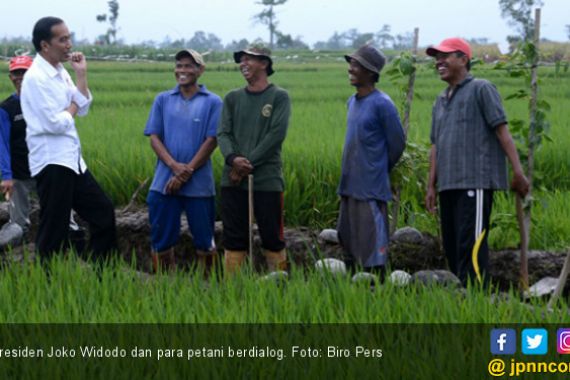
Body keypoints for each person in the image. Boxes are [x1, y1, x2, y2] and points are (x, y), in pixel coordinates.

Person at [425, 37, 529, 285]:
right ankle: (460, 295)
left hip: (475, 181)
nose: (439, 61)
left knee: (471, 243)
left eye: (445, 56)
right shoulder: (440, 101)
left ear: (463, 59)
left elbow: (502, 131)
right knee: (451, 243)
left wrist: (517, 171)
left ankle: (476, 297)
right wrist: (431, 186)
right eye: (436, 58)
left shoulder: (481, 88)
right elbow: (436, 146)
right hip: (448, 184)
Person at [20, 17, 117, 263]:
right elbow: (56, 123)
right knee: (54, 228)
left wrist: (81, 74)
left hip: (71, 160)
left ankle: (103, 276)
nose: (69, 44)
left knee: (103, 213)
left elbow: (82, 107)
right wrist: (73, 105)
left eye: (69, 38)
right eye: (62, 39)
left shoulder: (60, 71)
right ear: (45, 45)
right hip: (52, 162)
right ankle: (46, 285)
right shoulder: (36, 78)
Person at [144, 49, 221, 273]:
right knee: (161, 238)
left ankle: (208, 287)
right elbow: (155, 137)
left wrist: (186, 172)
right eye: (179, 65)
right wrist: (175, 167)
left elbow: (211, 141)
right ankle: (165, 286)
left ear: (201, 70)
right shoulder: (163, 100)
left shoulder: (213, 102)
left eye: (189, 66)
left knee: (205, 239)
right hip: (164, 183)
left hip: (199, 185)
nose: (183, 70)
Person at [217, 44, 291, 275]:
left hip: (266, 180)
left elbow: (275, 135)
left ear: (264, 64)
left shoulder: (279, 97)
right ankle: (233, 290)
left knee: (272, 236)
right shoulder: (232, 98)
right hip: (233, 180)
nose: (244, 64)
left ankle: (278, 285)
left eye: (249, 59)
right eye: (242, 59)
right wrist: (233, 159)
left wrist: (245, 165)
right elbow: (223, 133)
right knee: (234, 237)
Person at [336, 45, 406, 278]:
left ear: (370, 72)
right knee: (349, 235)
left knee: (371, 240)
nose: (351, 69)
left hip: (371, 185)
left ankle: (376, 279)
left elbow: (397, 143)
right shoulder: (352, 102)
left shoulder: (382, 104)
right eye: (351, 64)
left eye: (356, 65)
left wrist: (378, 168)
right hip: (350, 183)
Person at [0, 56, 80, 249]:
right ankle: (18, 259)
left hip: (48, 169)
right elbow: (2, 144)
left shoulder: (48, 101)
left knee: (65, 218)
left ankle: (73, 255)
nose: (20, 77)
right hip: (19, 174)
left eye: (24, 72)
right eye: (16, 73)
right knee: (18, 224)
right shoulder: (6, 108)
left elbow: (63, 128)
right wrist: (6, 176)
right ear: (11, 76)